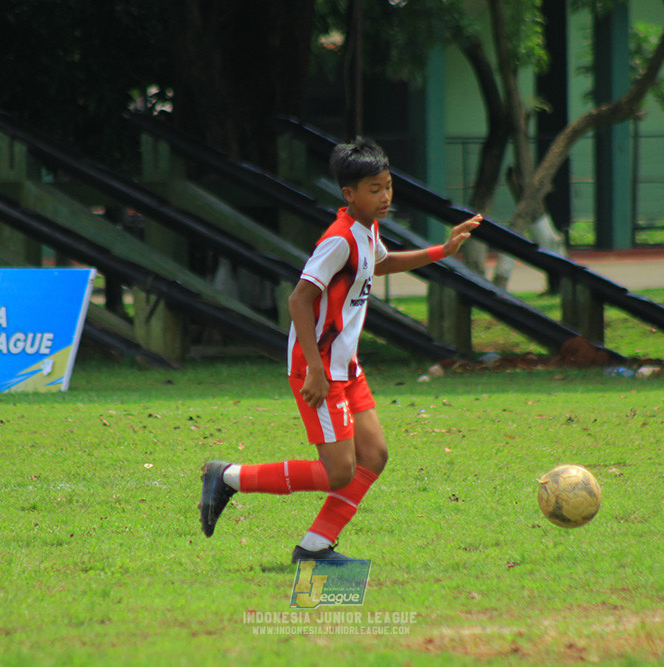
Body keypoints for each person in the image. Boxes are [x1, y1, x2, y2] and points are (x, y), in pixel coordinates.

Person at [199, 137, 481, 563]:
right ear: (349, 194)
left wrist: (445, 249)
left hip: (345, 366)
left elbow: (381, 263)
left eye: (388, 186)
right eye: (375, 189)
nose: (385, 196)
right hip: (319, 369)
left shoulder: (367, 231)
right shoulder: (338, 240)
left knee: (375, 455)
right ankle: (230, 477)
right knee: (339, 471)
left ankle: (316, 546)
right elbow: (298, 300)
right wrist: (314, 370)